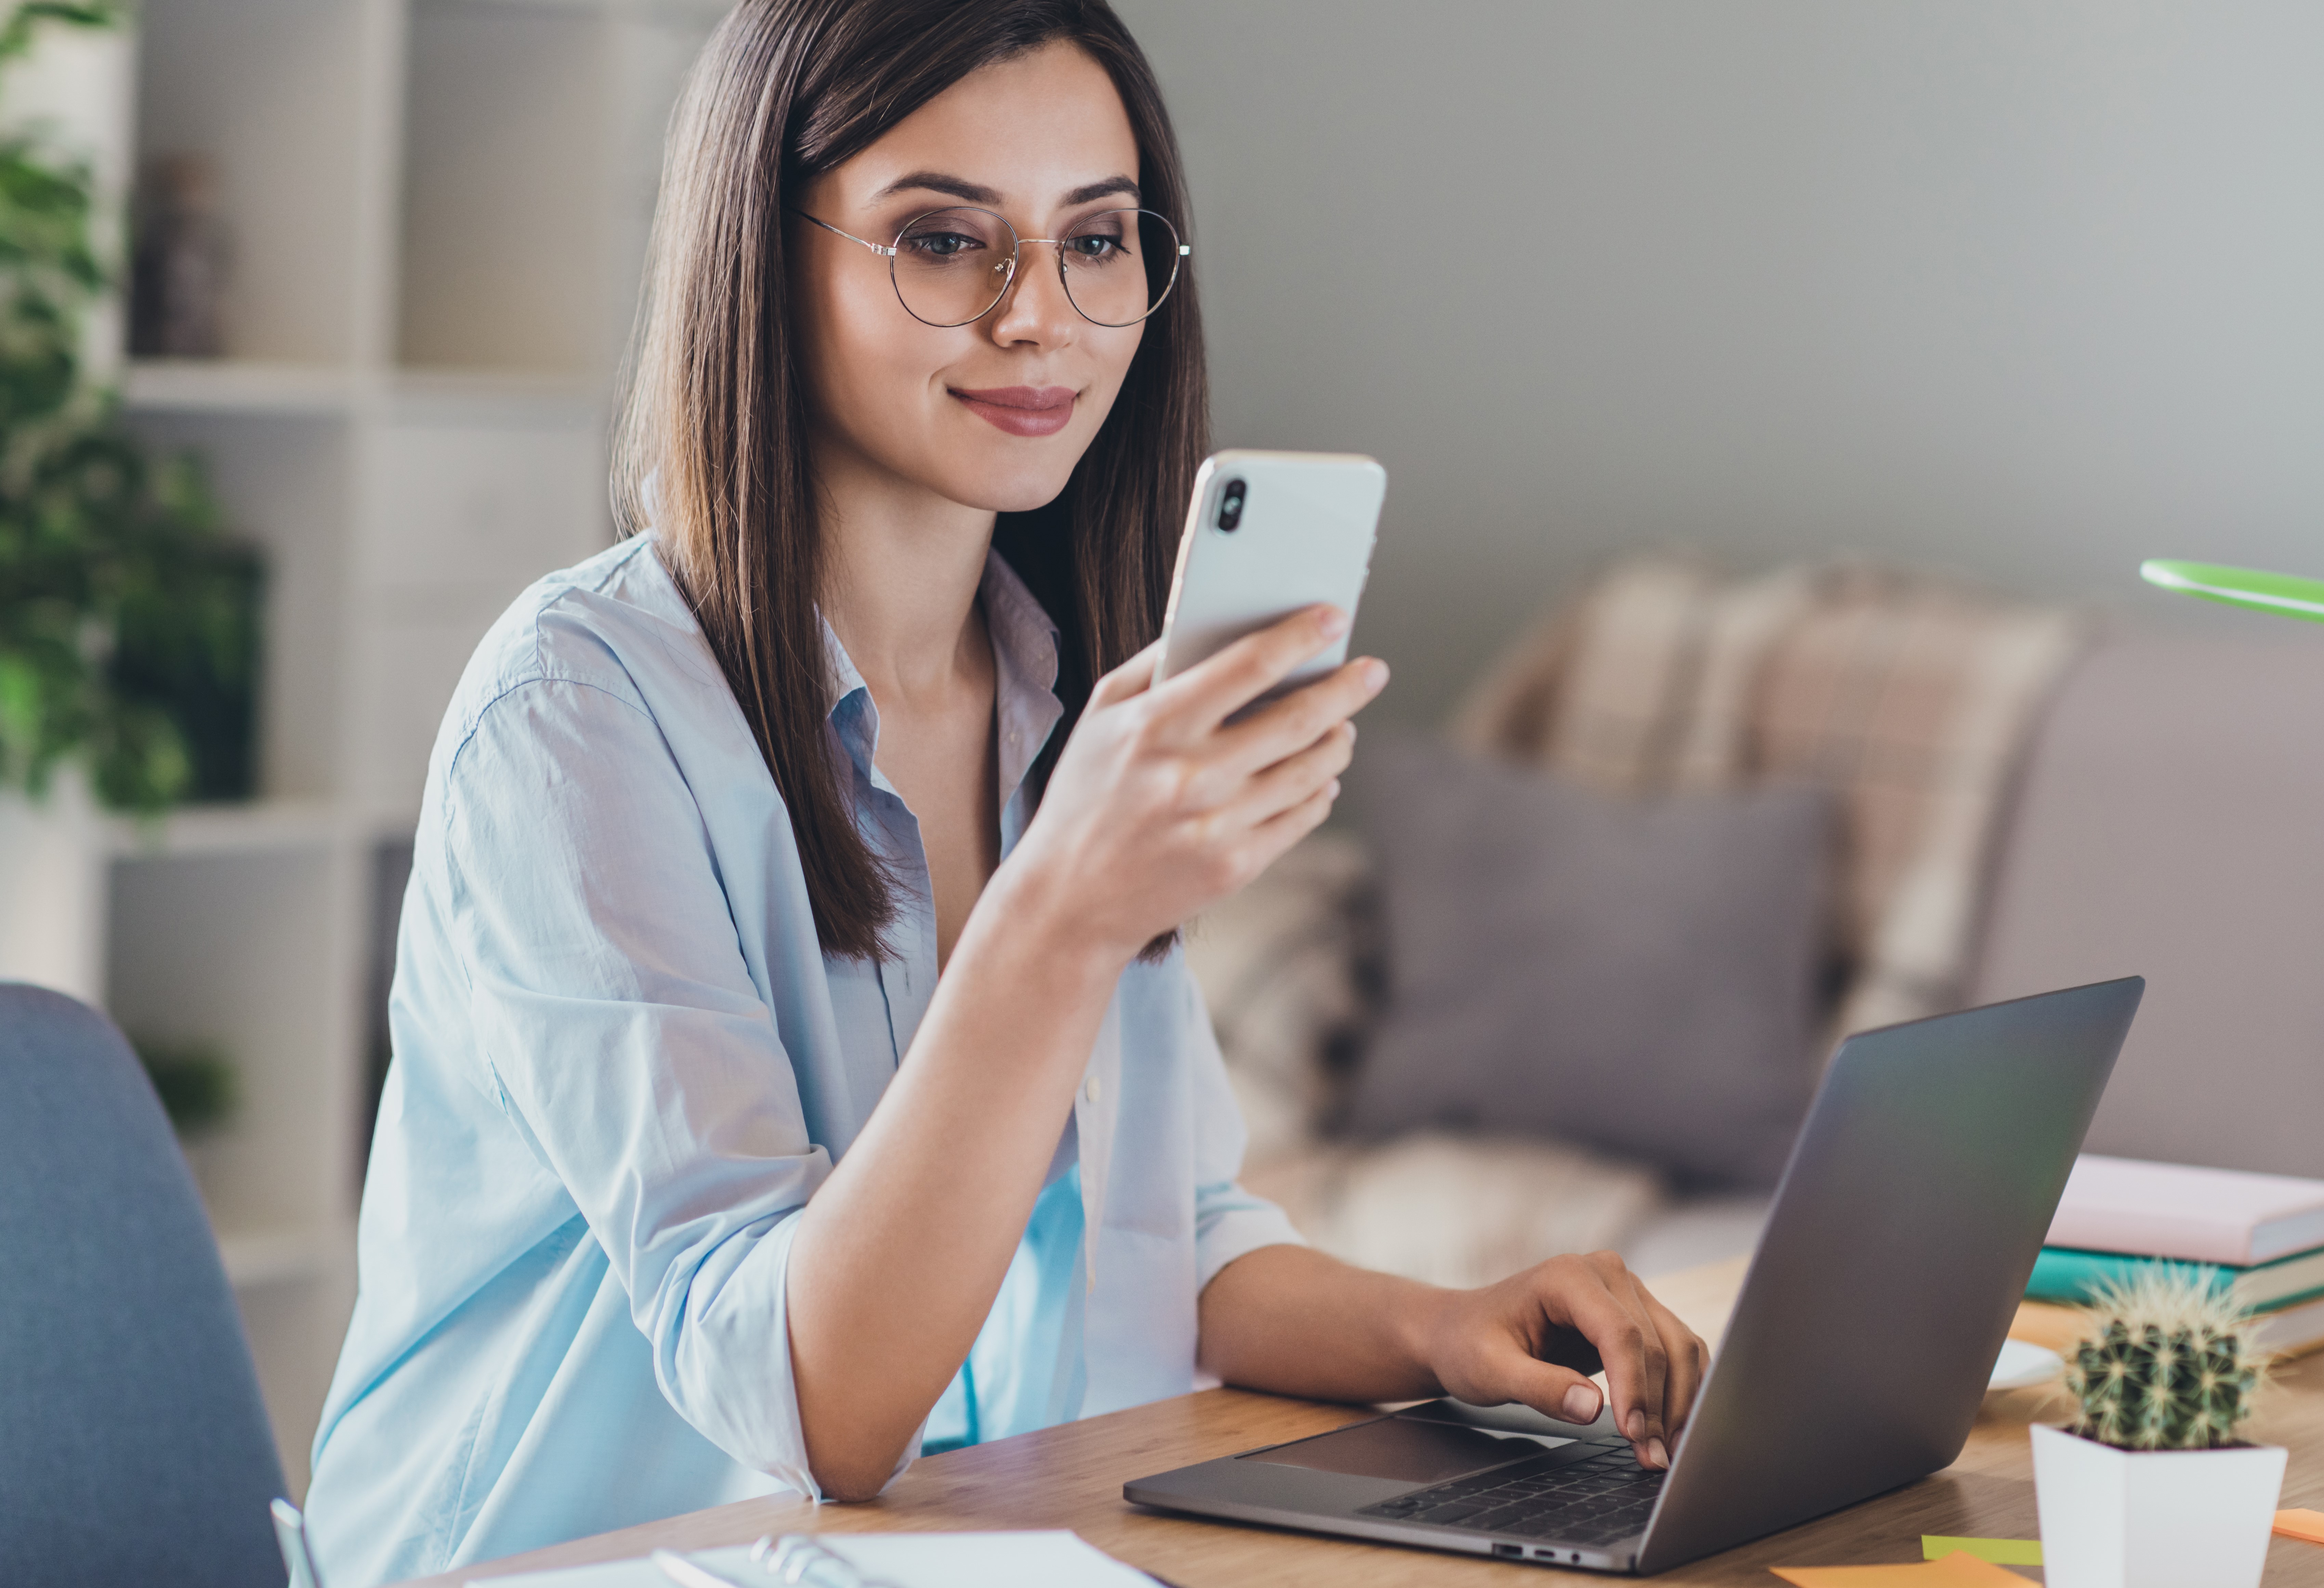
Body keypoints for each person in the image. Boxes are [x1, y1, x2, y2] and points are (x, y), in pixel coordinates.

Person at [302, 2, 1706, 1580]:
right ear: (765, 258)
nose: (1040, 316)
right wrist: (1062, 912)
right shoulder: (578, 713)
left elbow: (1162, 1236)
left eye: (1095, 241)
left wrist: (1440, 1329)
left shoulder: (1057, 693)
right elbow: (807, 1397)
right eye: (945, 240)